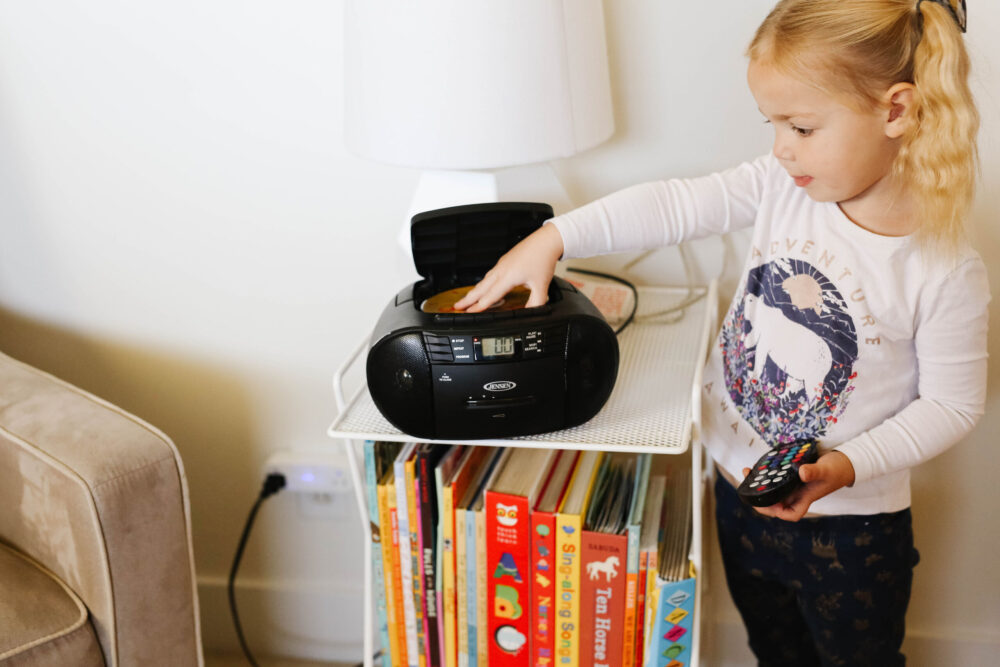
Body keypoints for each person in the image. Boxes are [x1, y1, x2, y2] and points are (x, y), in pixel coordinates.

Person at [455, 0, 987, 664]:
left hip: (850, 531)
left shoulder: (942, 267)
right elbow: (675, 205)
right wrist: (555, 236)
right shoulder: (782, 186)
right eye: (773, 124)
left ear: (896, 111)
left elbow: (953, 403)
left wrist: (850, 465)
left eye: (801, 125)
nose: (779, 147)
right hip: (736, 489)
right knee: (774, 649)